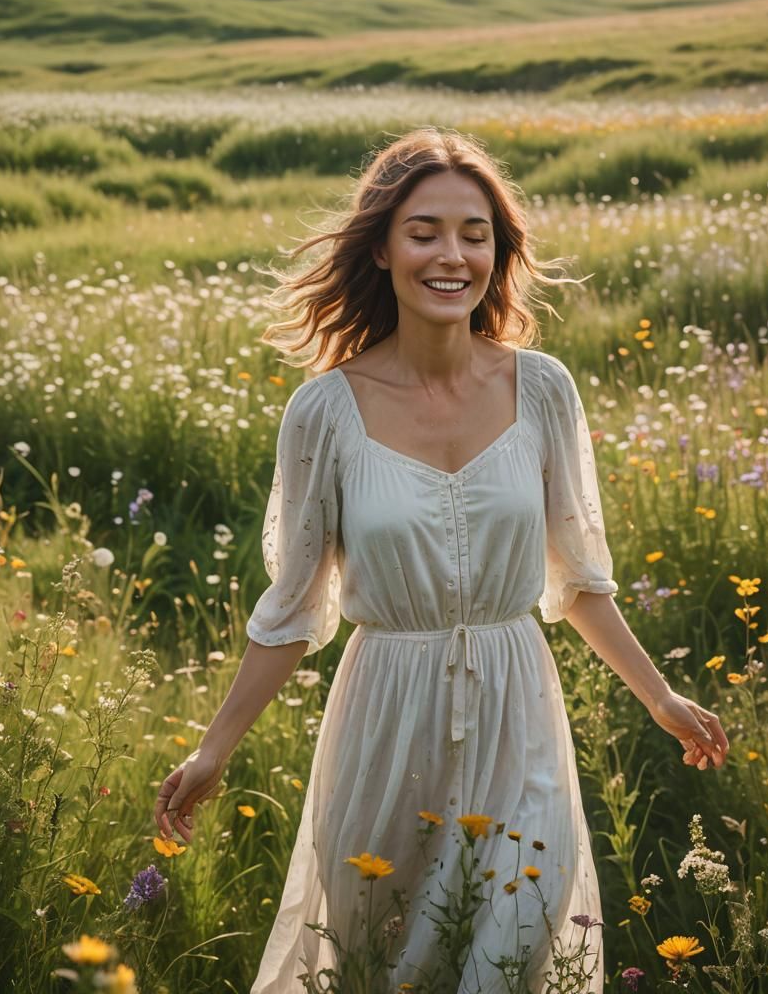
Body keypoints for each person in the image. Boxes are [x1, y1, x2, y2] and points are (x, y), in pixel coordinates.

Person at [153, 127, 729, 993]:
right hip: (385, 717)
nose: (452, 255)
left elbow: (578, 581)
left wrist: (662, 697)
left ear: (499, 252)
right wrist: (212, 752)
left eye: (475, 233)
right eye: (424, 231)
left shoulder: (542, 389)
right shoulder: (325, 414)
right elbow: (293, 607)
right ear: (381, 248)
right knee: (383, 960)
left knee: (516, 945)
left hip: (517, 708)